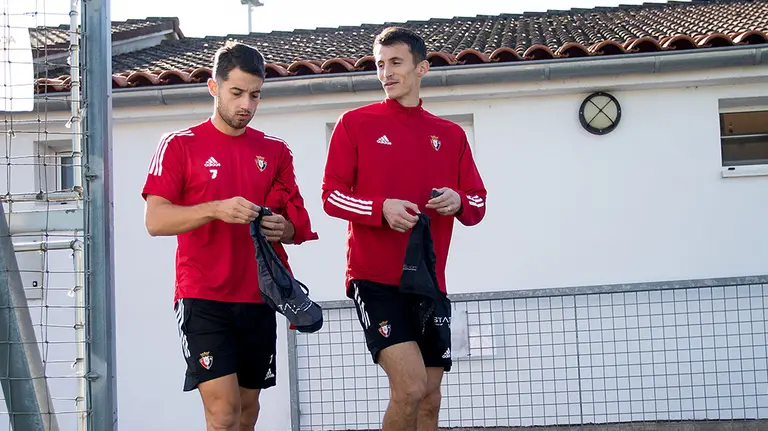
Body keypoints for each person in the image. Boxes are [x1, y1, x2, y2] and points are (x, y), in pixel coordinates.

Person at [141, 41, 318, 431]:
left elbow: (298, 223)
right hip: (203, 297)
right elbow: (155, 220)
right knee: (223, 414)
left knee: (246, 413)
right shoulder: (178, 144)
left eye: (255, 95)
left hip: (259, 296)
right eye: (237, 93)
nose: (246, 105)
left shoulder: (275, 151)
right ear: (213, 87)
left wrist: (284, 227)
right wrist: (214, 209)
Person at [320, 26, 488, 431]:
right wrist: (380, 208)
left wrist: (458, 200)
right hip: (375, 280)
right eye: (380, 64)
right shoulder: (354, 123)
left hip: (429, 282)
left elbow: (478, 202)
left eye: (396, 63)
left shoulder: (451, 135)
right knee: (411, 387)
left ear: (421, 68)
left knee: (430, 399)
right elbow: (331, 196)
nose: (386, 73)